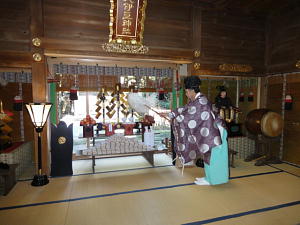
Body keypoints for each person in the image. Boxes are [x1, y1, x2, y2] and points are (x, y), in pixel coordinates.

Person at [169, 76, 229, 185]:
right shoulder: (197, 100)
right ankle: (208, 178)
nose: (186, 94)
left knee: (214, 158)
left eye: (187, 91)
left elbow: (191, 115)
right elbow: (187, 108)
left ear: (192, 91)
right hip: (210, 131)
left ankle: (214, 180)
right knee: (207, 155)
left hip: (216, 132)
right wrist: (173, 113)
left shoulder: (201, 101)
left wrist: (177, 118)